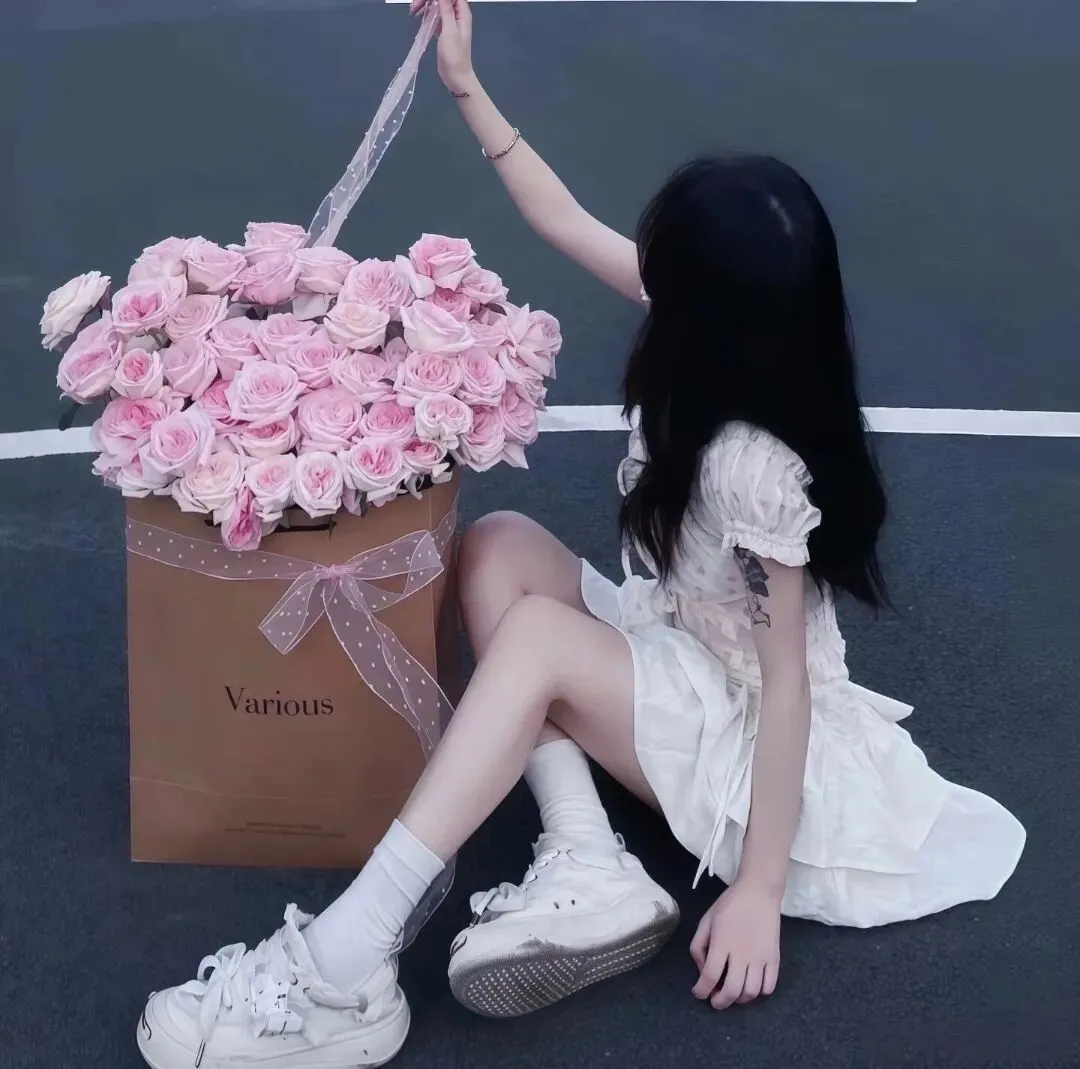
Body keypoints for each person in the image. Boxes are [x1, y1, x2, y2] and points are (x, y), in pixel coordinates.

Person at [136, 1, 1026, 1065]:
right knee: (500, 542)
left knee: (540, 643)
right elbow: (561, 219)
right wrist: (465, 85)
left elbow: (787, 685)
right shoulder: (730, 335)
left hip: (741, 738)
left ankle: (345, 964)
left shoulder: (755, 464)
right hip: (679, 657)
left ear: (704, 304)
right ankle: (587, 855)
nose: (644, 266)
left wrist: (759, 888)